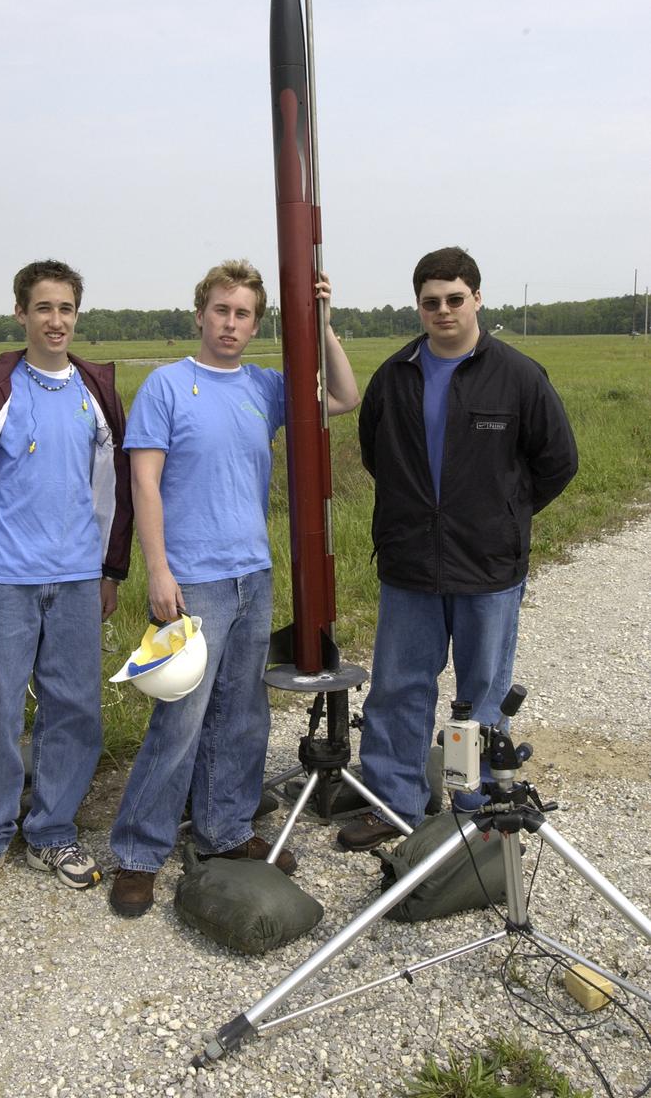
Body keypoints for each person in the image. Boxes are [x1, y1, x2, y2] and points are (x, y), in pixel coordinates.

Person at [109, 259, 360, 917]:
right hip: (192, 583)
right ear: (200, 314)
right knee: (180, 719)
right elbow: (144, 485)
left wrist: (325, 324)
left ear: (256, 323)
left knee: (241, 715)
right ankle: (138, 854)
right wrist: (159, 571)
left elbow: (342, 396)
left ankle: (226, 831)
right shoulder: (167, 387)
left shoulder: (265, 387)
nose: (230, 323)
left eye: (243, 313)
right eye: (221, 310)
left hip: (253, 575)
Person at [337, 247, 578, 852]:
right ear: (418, 306)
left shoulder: (519, 375)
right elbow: (377, 456)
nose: (442, 311)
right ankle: (395, 801)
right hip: (410, 564)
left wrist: (502, 518)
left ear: (476, 298)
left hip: (487, 567)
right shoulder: (395, 376)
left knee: (480, 690)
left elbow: (557, 462)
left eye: (454, 299)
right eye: (430, 302)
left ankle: (477, 803)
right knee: (398, 685)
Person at [0, 260, 132, 903]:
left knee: (75, 711)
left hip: (75, 581)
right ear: (20, 313)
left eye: (66, 308)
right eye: (43, 308)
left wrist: (109, 571)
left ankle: (52, 829)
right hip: (5, 585)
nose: (56, 320)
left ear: (77, 313)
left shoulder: (95, 390)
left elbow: (116, 490)